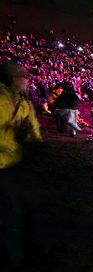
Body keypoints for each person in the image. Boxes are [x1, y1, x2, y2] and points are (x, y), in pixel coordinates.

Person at [0, 61, 43, 270]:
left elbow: (35, 136)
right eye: (22, 76)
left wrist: (28, 136)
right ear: (10, 79)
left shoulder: (25, 104)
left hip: (14, 164)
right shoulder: (1, 101)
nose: (27, 80)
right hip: (3, 165)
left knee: (19, 214)